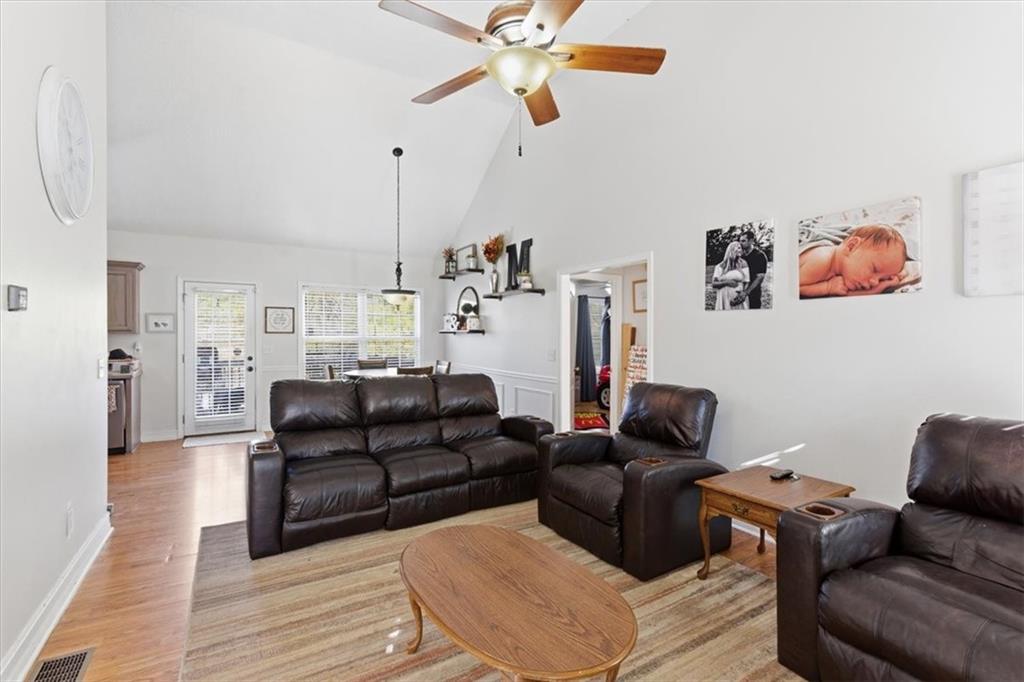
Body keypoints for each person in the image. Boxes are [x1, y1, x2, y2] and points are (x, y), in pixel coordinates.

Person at [799, 224, 907, 297]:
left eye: (882, 279)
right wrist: (827, 287)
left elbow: (854, 294)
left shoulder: (847, 269)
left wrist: (887, 283)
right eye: (874, 269)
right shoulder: (820, 261)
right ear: (851, 246)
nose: (874, 282)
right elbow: (797, 287)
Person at [733, 229, 768, 308]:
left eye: (743, 241)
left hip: (753, 293)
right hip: (739, 291)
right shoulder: (740, 255)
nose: (740, 244)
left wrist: (746, 292)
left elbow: (760, 277)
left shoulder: (760, 256)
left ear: (751, 241)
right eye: (740, 241)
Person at [711, 241, 749, 310]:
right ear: (732, 249)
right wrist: (727, 282)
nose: (741, 250)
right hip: (723, 297)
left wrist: (743, 294)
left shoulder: (743, 263)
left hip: (738, 298)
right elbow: (714, 284)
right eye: (739, 248)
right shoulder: (721, 266)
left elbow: (747, 282)